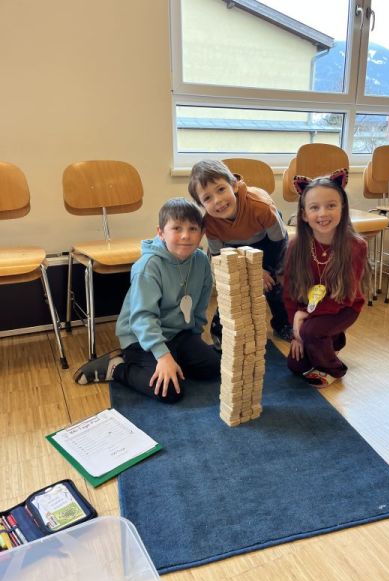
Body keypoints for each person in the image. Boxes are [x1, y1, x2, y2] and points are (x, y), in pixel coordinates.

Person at [74, 197, 220, 402]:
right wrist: (162, 355)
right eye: (177, 228)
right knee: (170, 392)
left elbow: (200, 306)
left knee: (213, 368)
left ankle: (171, 359)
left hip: (179, 333)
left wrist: (194, 339)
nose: (186, 235)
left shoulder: (202, 261)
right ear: (161, 232)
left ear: (202, 233)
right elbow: (142, 318)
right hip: (141, 337)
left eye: (193, 229)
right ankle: (117, 367)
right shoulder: (149, 266)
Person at [188, 159, 292, 349]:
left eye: (221, 189)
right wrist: (251, 271)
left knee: (274, 285)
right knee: (232, 286)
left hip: (268, 242)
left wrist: (268, 270)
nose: (217, 200)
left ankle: (282, 323)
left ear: (234, 185)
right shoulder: (210, 223)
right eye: (207, 198)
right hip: (232, 247)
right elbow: (220, 258)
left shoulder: (261, 207)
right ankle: (220, 329)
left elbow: (279, 243)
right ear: (201, 204)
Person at [283, 168, 370, 388]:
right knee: (296, 365)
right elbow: (289, 292)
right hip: (310, 310)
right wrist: (296, 330)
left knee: (312, 331)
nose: (323, 213)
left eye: (331, 205)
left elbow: (346, 297)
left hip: (343, 307)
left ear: (343, 208)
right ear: (304, 214)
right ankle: (333, 339)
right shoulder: (296, 245)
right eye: (314, 207)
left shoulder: (355, 246)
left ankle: (334, 368)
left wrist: (306, 319)